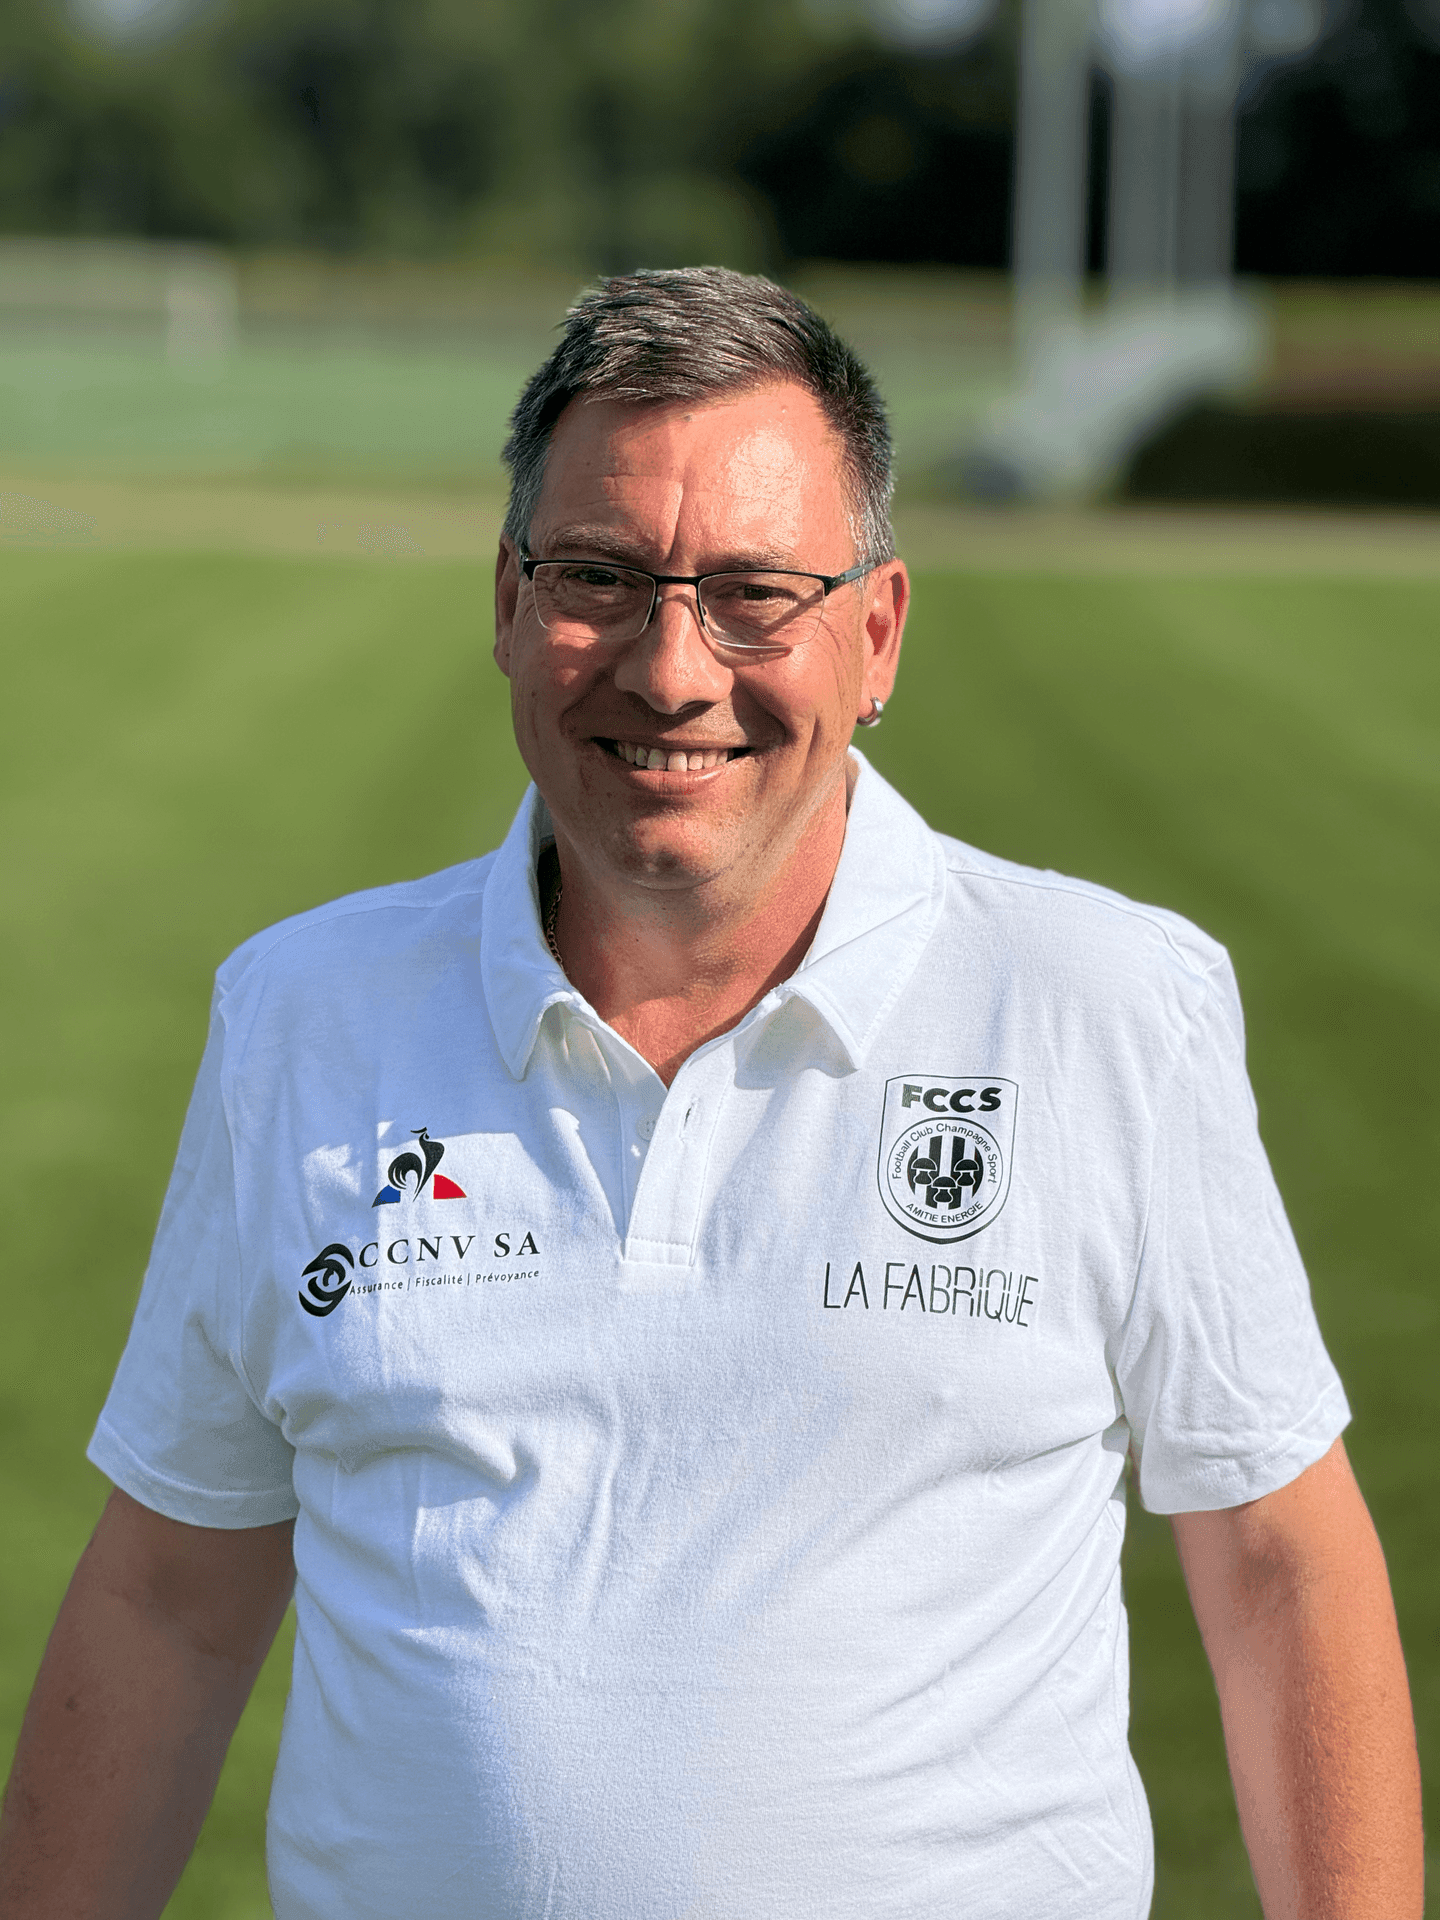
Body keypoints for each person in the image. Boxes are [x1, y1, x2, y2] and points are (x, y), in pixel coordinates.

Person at [0, 267, 1421, 1920]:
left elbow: (1277, 1568)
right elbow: (173, 1595)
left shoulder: (1109, 1005)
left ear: (875, 634)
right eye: (602, 577)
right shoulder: (301, 1019)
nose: (673, 670)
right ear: (512, 601)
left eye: (756, 593)